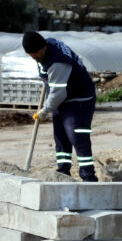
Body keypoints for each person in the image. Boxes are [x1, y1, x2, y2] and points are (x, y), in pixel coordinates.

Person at [23, 31, 98, 181]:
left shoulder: (57, 62)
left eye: (35, 54)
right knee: (61, 136)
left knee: (76, 135)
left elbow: (58, 93)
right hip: (63, 96)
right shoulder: (47, 46)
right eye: (31, 55)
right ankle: (62, 173)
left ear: (43, 47)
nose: (34, 58)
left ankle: (89, 177)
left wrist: (44, 110)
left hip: (79, 98)